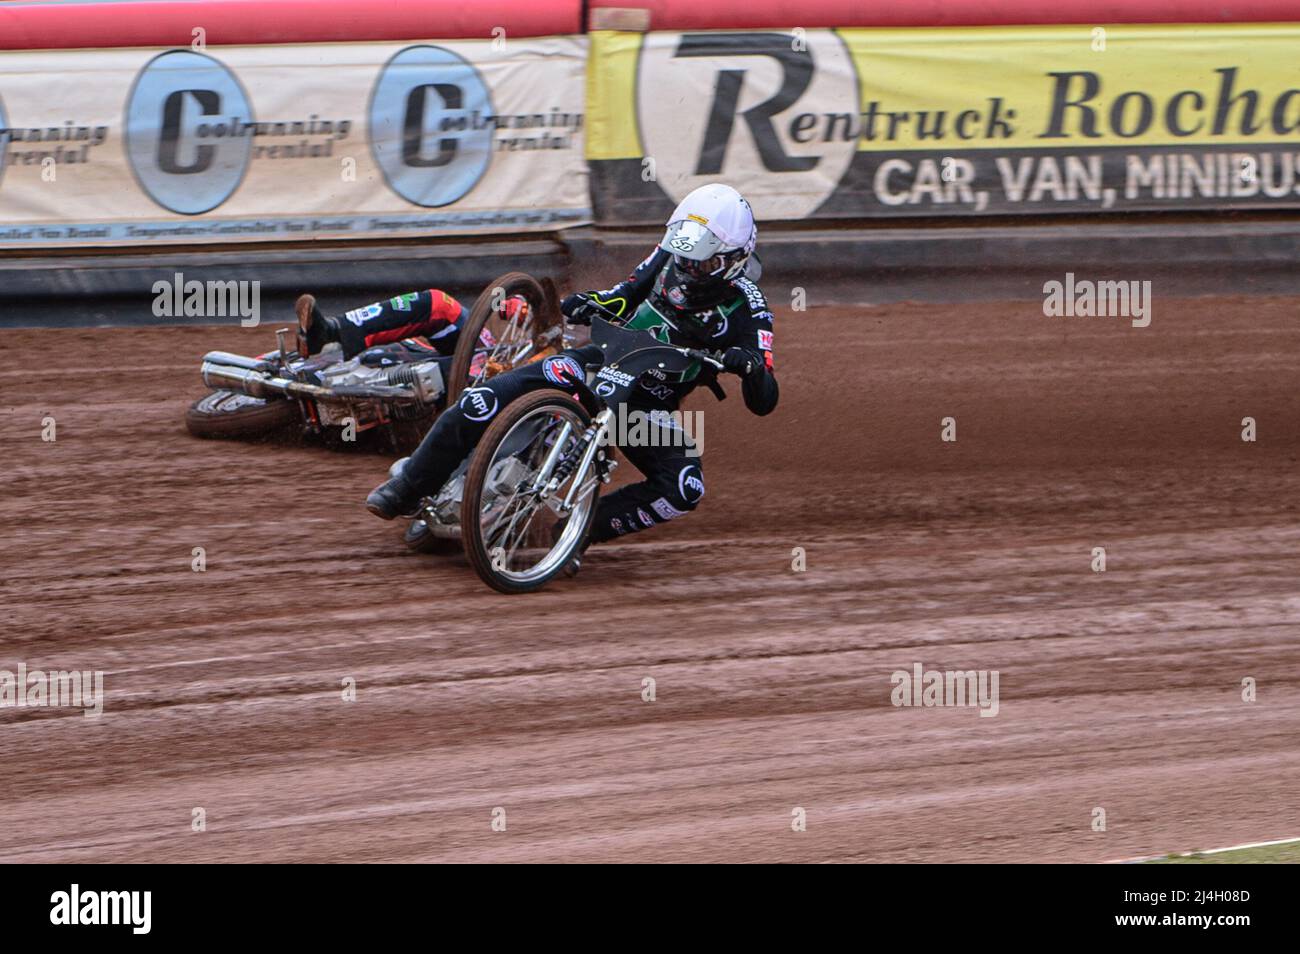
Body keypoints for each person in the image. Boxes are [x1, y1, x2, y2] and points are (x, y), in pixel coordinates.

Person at [364, 182, 779, 549]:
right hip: (600, 363)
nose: (688, 268)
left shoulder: (749, 306)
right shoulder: (669, 257)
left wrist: (751, 368)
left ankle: (574, 534)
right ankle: (409, 485)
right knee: (483, 398)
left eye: (703, 261)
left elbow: (765, 400)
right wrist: (591, 301)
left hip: (646, 410)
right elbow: (623, 295)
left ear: (735, 259)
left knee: (684, 487)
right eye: (684, 253)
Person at [293, 288, 526, 359]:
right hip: (493, 359)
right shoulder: (562, 314)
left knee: (439, 305)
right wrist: (522, 304)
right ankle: (327, 345)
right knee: (391, 353)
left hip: (503, 370)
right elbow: (531, 305)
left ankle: (330, 332)